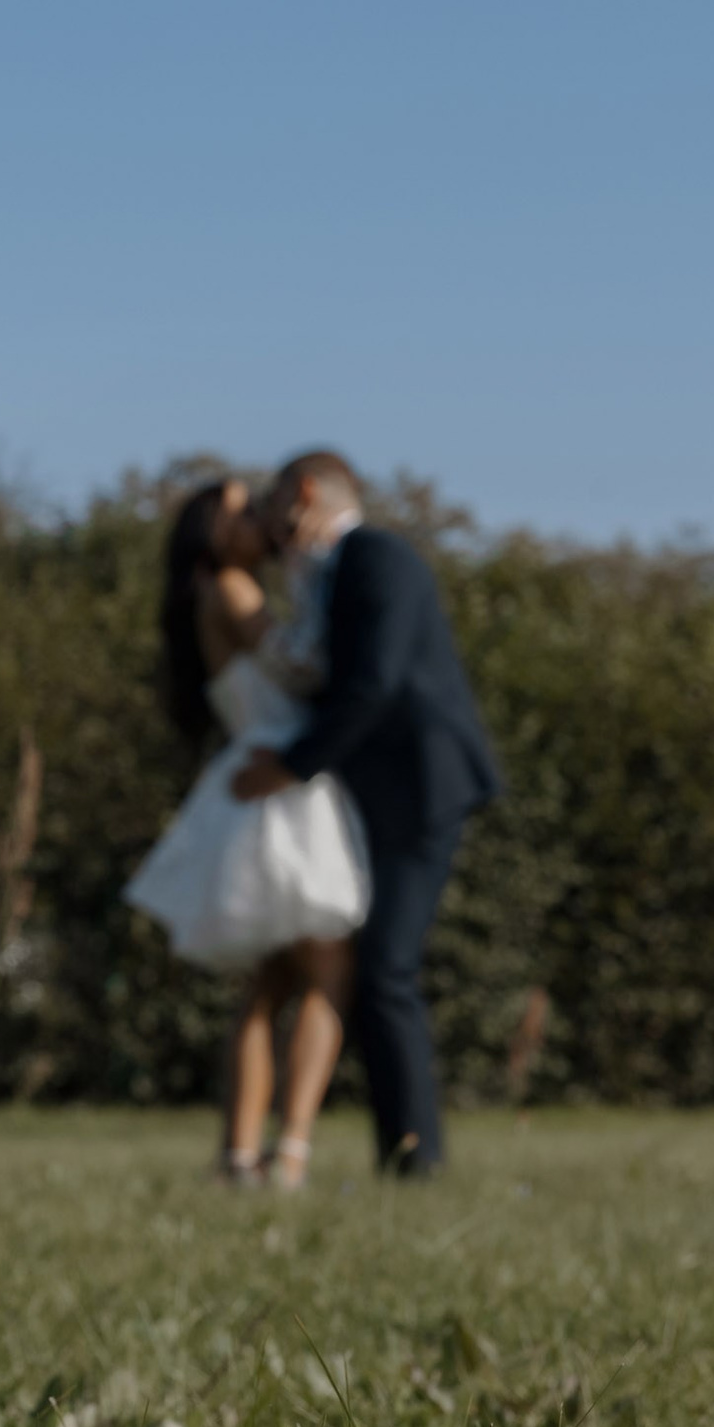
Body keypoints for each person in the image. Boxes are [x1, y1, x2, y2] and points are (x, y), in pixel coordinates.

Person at [231, 451, 500, 1176]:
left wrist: (290, 766)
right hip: (386, 790)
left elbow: (374, 682)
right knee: (380, 968)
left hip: (422, 786)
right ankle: (403, 1156)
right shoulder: (335, 572)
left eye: (276, 501)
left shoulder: (374, 555)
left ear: (307, 492)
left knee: (385, 967)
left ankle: (416, 1160)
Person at [123, 478, 371, 1189]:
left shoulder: (220, 588)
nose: (260, 515)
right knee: (326, 969)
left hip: (263, 774)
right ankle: (288, 1151)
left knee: (271, 978)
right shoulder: (233, 587)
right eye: (242, 508)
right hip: (280, 779)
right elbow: (305, 663)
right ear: (215, 530)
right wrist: (318, 568)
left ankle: (240, 1154)